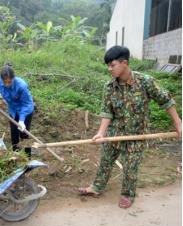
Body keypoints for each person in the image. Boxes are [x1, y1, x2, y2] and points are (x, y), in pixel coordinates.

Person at [78, 46, 182, 209]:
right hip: (115, 133)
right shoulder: (109, 87)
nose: (109, 69)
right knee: (106, 160)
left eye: (112, 65)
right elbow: (107, 112)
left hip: (137, 135)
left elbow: (166, 100)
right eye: (108, 65)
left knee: (130, 166)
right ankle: (96, 187)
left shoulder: (145, 81)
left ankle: (127, 194)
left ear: (124, 63)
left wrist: (179, 125)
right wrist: (100, 133)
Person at [0, 63, 35, 158]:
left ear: (14, 78)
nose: (7, 84)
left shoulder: (22, 86)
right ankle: (15, 156)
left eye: (10, 82)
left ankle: (28, 158)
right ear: (1, 79)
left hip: (25, 111)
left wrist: (21, 120)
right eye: (5, 82)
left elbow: (27, 104)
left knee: (24, 134)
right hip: (12, 111)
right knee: (14, 134)